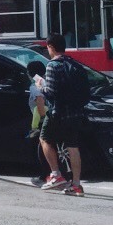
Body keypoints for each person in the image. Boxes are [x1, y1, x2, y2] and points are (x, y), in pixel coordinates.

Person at [40, 34, 86, 195]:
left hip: (57, 113)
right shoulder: (72, 63)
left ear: (51, 47)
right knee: (73, 147)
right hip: (74, 112)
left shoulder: (53, 65)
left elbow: (51, 93)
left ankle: (56, 175)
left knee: (44, 138)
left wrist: (41, 87)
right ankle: (76, 184)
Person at [26, 59, 48, 187]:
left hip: (42, 120)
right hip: (52, 115)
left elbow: (39, 103)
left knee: (42, 149)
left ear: (30, 73)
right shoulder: (45, 81)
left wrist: (41, 122)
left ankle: (43, 176)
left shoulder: (35, 85)